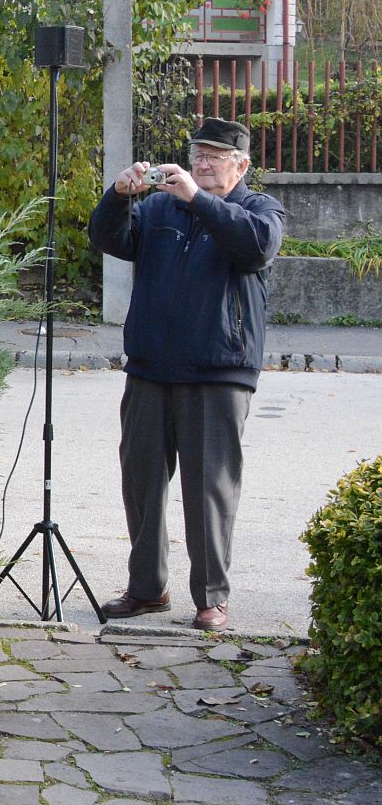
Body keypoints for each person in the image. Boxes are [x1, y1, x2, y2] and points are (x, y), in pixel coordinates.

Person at [88, 117, 285, 631]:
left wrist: (199, 199)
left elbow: (254, 247)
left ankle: (211, 597)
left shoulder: (259, 209)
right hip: (152, 367)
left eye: (215, 156)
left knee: (209, 489)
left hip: (218, 370)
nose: (202, 162)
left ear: (241, 166)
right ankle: (147, 590)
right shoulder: (158, 207)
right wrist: (119, 194)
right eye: (198, 153)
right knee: (142, 482)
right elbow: (108, 237)